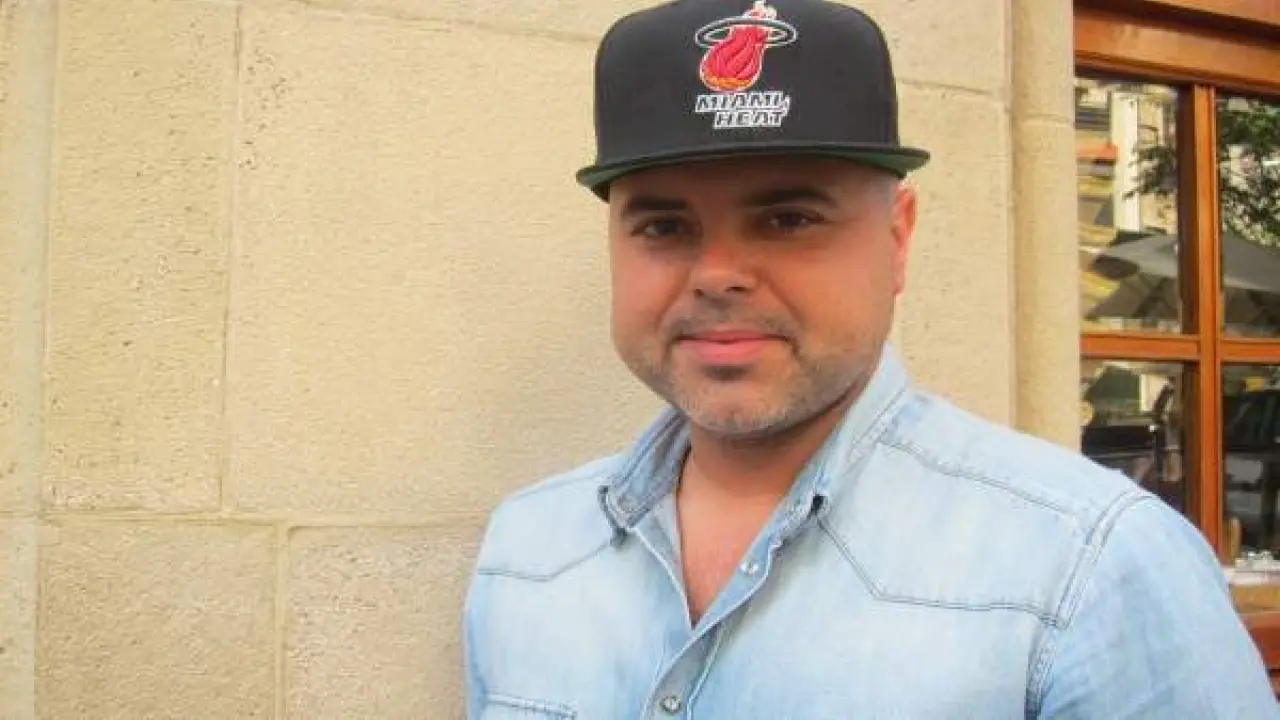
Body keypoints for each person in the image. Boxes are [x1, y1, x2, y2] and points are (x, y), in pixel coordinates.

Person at [461, 0, 1280, 716]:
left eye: (787, 219)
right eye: (664, 226)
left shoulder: (1092, 568)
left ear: (898, 238)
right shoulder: (529, 551)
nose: (716, 273)